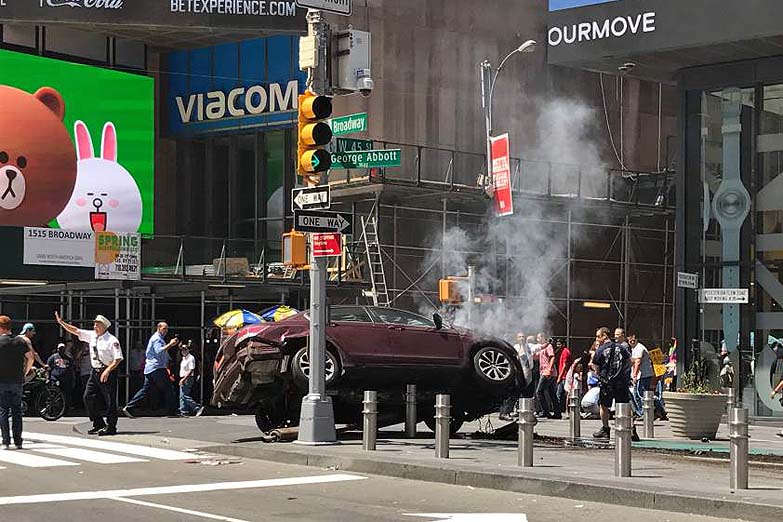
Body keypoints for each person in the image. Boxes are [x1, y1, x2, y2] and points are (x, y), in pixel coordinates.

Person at [55, 312, 123, 436]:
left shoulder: (112, 340)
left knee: (110, 400)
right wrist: (61, 323)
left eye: (97, 325)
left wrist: (107, 370)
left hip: (107, 371)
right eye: (94, 324)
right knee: (88, 397)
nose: (94, 327)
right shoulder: (92, 336)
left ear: (104, 326)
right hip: (95, 371)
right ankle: (98, 423)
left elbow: (118, 359)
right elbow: (75, 330)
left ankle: (111, 426)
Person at [124, 322, 180, 417]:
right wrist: (170, 344)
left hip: (151, 369)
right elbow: (159, 351)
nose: (166, 331)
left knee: (146, 389)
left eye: (167, 329)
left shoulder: (158, 339)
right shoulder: (157, 339)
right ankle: (172, 411)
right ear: (158, 328)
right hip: (157, 368)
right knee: (169, 388)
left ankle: (129, 407)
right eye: (164, 329)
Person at [0, 315, 35, 450]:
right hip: (17, 380)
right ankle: (18, 440)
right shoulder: (20, 341)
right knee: (16, 411)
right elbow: (30, 357)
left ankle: (6, 440)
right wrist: (26, 371)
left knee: (3, 410)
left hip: (2, 380)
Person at [592, 326, 632, 440]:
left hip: (607, 383)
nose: (597, 339)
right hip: (621, 382)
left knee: (604, 406)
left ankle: (605, 429)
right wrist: (622, 373)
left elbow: (596, 367)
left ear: (604, 336)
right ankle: (630, 429)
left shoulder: (600, 350)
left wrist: (602, 376)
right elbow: (630, 362)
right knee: (624, 405)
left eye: (598, 336)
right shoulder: (621, 348)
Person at [628, 331, 653, 417]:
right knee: (638, 394)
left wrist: (634, 375)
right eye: (630, 339)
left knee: (641, 394)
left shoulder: (639, 348)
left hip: (644, 375)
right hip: (640, 376)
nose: (631, 341)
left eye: (633, 339)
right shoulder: (633, 348)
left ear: (637, 339)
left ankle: (643, 413)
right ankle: (642, 413)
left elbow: (637, 362)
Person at [535, 336, 560, 419]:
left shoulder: (548, 347)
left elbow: (552, 357)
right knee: (552, 393)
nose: (538, 339)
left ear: (543, 338)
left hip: (547, 372)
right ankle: (557, 413)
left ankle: (545, 411)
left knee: (539, 391)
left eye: (539, 338)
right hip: (547, 372)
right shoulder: (542, 348)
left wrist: (549, 369)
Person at [178, 341, 205, 417]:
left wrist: (184, 379)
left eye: (185, 349)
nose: (183, 351)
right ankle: (183, 411)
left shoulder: (191, 358)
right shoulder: (184, 358)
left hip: (187, 378)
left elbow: (191, 369)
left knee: (184, 395)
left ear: (188, 350)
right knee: (182, 395)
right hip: (183, 377)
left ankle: (197, 407)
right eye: (182, 350)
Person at [555, 338, 572, 415]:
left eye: (559, 344)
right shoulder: (562, 352)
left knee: (560, 394)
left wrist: (559, 377)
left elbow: (565, 366)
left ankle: (559, 411)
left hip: (564, 377)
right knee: (561, 395)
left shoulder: (565, 352)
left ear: (563, 344)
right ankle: (561, 410)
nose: (557, 345)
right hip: (563, 376)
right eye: (557, 344)